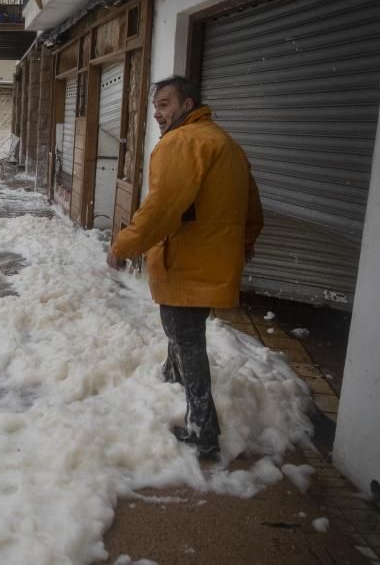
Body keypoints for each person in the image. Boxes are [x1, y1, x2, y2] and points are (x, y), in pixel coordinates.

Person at [106, 75, 263, 460]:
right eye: (156, 106)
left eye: (165, 104)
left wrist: (123, 246)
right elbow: (253, 207)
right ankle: (170, 377)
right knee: (183, 332)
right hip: (211, 260)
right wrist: (242, 245)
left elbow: (161, 210)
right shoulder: (226, 143)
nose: (158, 114)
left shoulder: (181, 143)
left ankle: (203, 430)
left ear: (188, 105)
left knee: (186, 337)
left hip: (186, 262)